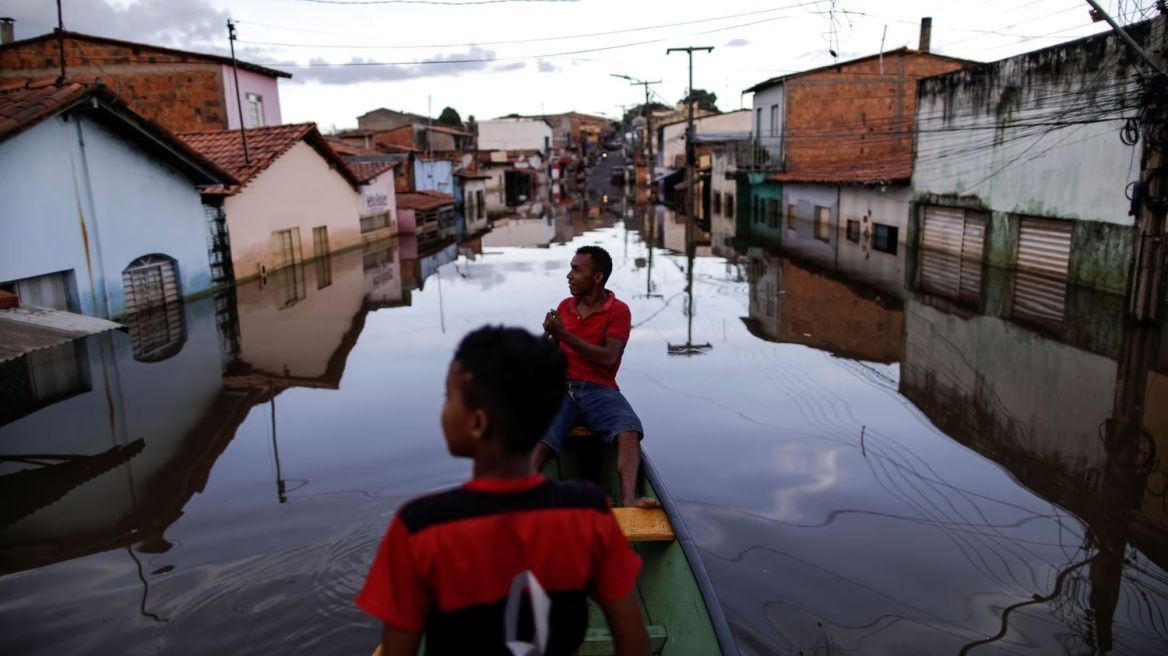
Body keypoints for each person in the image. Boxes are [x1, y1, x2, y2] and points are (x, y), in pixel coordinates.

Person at [356, 325, 652, 656]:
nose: (444, 407)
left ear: (478, 423)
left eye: (448, 398)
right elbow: (634, 645)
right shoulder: (589, 512)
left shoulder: (418, 526)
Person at [533, 245, 661, 509]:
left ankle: (629, 502)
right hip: (565, 388)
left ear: (598, 277)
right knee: (539, 434)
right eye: (570, 269)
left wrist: (564, 333)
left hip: (600, 389)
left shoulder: (618, 311)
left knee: (629, 429)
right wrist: (549, 337)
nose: (569, 275)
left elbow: (609, 357)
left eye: (576, 270)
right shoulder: (565, 307)